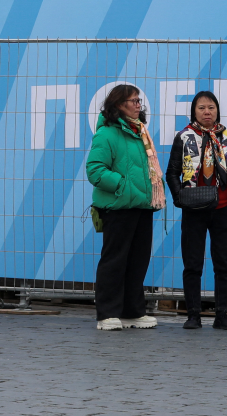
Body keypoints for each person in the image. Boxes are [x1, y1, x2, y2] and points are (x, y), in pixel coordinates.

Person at [164, 90, 227, 330]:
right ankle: (193, 315)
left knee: (224, 264)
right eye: (201, 108)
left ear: (217, 110)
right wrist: (179, 197)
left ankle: (222, 315)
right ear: (194, 111)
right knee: (192, 265)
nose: (207, 112)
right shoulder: (184, 137)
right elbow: (171, 172)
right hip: (194, 210)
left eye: (211, 107)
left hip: (223, 210)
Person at [85, 83, 165, 331]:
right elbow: (95, 170)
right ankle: (107, 314)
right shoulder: (106, 134)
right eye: (132, 100)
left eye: (138, 100)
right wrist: (122, 186)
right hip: (118, 207)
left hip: (142, 206)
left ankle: (132, 312)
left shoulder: (141, 132)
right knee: (114, 261)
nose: (138, 104)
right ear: (118, 105)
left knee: (138, 261)